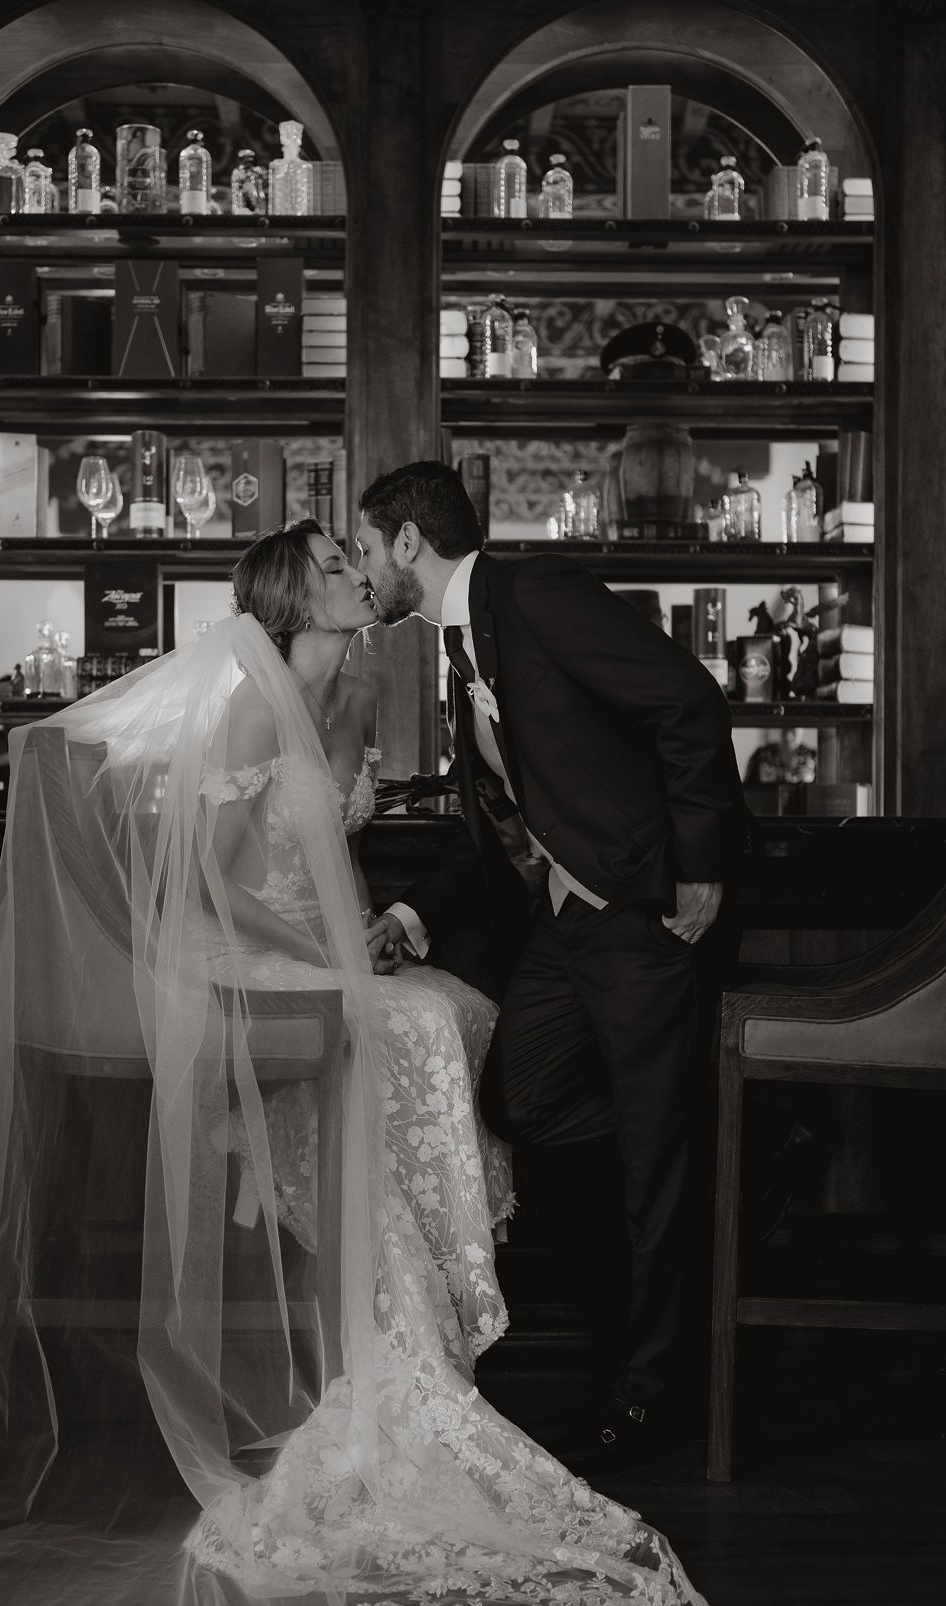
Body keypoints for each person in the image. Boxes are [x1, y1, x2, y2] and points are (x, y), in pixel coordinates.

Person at [0, 522, 728, 1606]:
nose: (358, 571)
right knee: (416, 1027)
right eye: (336, 562)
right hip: (232, 959)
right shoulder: (240, 700)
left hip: (321, 949)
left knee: (452, 1014)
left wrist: (370, 934)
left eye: (357, 556)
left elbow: (357, 854)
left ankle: (412, 1320)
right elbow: (207, 886)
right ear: (296, 594)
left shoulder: (361, 696)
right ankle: (397, 1337)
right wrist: (329, 951)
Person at [357, 462, 753, 1464]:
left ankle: (652, 1393)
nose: (363, 570)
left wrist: (700, 867)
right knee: (520, 1097)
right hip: (565, 929)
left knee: (656, 1168)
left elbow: (689, 700)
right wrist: (407, 912)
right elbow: (499, 820)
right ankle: (714, 1132)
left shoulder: (534, 595)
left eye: (365, 548)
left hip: (644, 919)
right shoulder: (462, 644)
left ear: (408, 542)